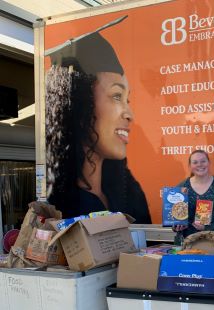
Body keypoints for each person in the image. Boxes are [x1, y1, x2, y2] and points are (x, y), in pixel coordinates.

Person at [45, 16, 151, 223]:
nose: (129, 114)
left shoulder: (130, 193)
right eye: (116, 96)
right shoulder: (61, 202)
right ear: (81, 102)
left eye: (127, 99)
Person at [172, 150, 214, 239]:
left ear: (209, 163)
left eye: (203, 161)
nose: (200, 165)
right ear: (190, 166)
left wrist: (209, 228)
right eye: (195, 162)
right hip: (188, 242)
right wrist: (177, 225)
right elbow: (174, 216)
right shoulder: (182, 187)